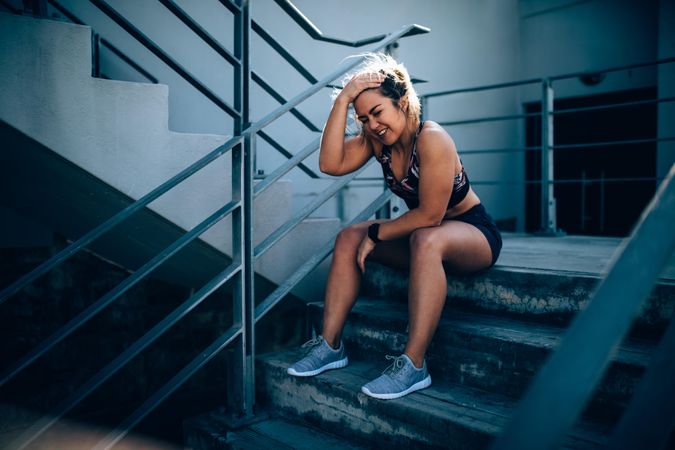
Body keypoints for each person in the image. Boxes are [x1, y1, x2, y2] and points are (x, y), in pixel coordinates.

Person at [287, 53, 502, 400]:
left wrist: (378, 234)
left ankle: (413, 366)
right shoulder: (378, 143)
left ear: (402, 103)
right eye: (363, 119)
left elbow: (432, 215)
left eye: (377, 113)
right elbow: (330, 163)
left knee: (425, 238)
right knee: (347, 238)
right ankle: (330, 346)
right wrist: (343, 99)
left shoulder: (432, 138)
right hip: (422, 234)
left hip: (471, 232)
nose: (371, 125)